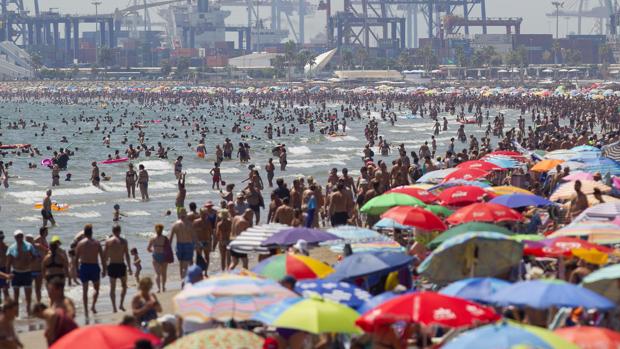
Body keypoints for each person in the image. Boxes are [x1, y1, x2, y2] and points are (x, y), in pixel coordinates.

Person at [75, 224, 105, 318]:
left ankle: (85, 309)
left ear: (84, 233)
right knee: (96, 289)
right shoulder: (96, 243)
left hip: (84, 267)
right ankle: (93, 306)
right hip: (94, 267)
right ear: (92, 232)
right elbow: (102, 257)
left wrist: (76, 270)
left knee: (85, 290)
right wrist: (104, 269)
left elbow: (76, 259)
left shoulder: (80, 244)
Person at [103, 225, 133, 313]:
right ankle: (121, 304)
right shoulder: (124, 241)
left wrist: (104, 268)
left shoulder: (108, 241)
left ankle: (114, 308)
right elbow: (127, 255)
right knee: (124, 286)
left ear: (112, 231)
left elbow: (104, 256)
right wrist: (130, 267)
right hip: (121, 265)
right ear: (120, 231)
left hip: (112, 265)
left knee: (112, 288)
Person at [6, 230, 35, 317]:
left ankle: (29, 312)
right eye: (17, 236)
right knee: (16, 296)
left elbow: (35, 256)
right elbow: (8, 262)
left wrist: (29, 262)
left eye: (21, 236)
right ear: (15, 237)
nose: (19, 238)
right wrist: (7, 275)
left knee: (28, 295)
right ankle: (16, 314)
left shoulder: (28, 246)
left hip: (26, 272)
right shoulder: (11, 248)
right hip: (16, 273)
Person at [169, 208, 195, 286]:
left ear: (179, 214)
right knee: (186, 263)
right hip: (187, 245)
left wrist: (168, 248)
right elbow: (194, 236)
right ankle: (185, 280)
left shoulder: (175, 224)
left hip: (179, 245)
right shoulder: (190, 224)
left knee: (181, 263)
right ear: (186, 214)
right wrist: (197, 244)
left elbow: (171, 238)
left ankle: (182, 279)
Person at [193, 203, 216, 276]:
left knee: (207, 257)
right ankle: (199, 272)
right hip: (199, 242)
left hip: (207, 241)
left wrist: (211, 242)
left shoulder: (208, 222)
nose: (204, 215)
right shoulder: (196, 222)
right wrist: (195, 242)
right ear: (200, 213)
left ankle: (205, 271)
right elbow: (192, 233)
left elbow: (211, 233)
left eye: (205, 214)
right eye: (203, 213)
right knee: (198, 257)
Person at [147, 224, 169, 293]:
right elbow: (168, 249)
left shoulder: (152, 238)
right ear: (162, 230)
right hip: (164, 255)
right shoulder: (165, 238)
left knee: (157, 273)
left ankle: (158, 289)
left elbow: (148, 249)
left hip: (156, 255)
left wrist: (153, 250)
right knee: (164, 273)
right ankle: (163, 287)